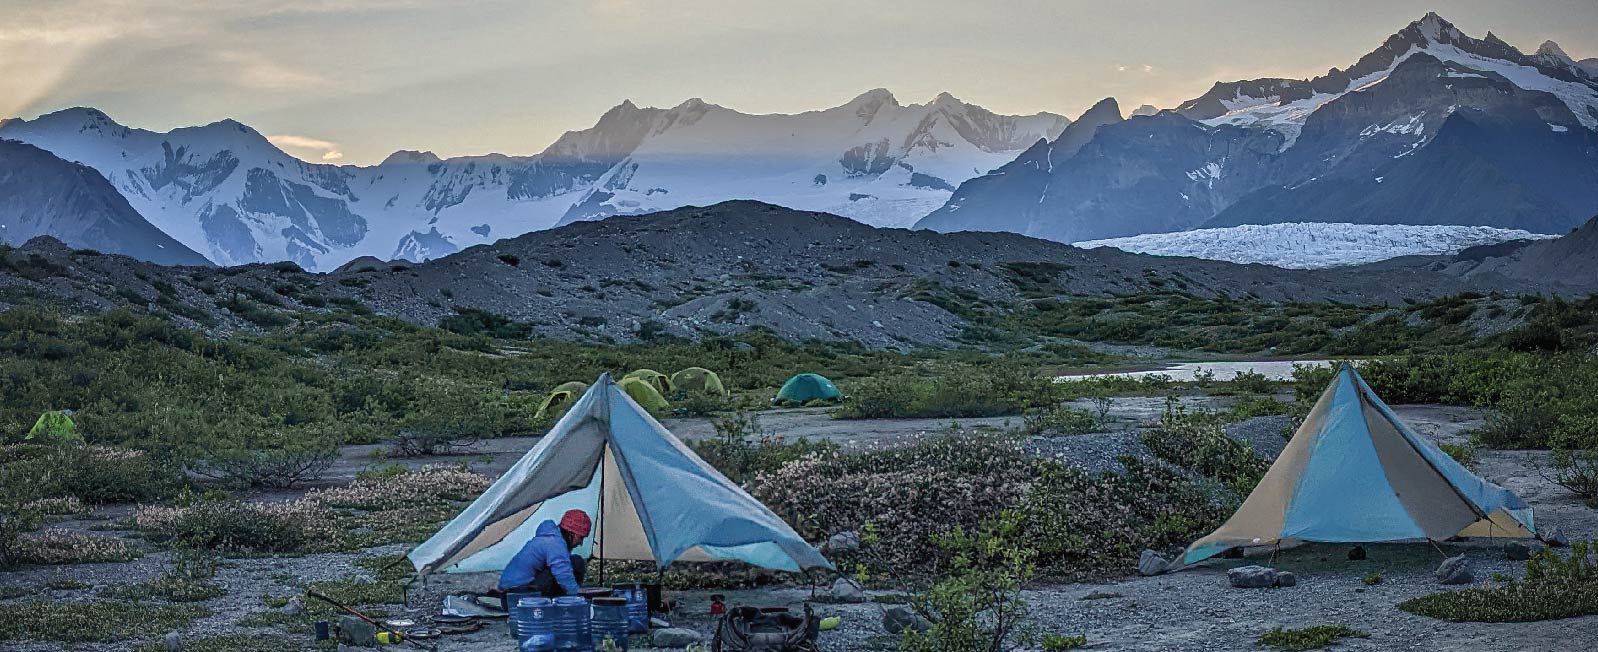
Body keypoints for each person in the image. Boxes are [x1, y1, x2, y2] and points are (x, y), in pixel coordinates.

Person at [497, 509, 592, 597]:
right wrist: (578, 597)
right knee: (576, 562)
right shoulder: (555, 543)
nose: (580, 543)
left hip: (508, 593)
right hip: (517, 594)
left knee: (566, 565)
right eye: (581, 538)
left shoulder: (550, 539)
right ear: (572, 534)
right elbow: (564, 575)